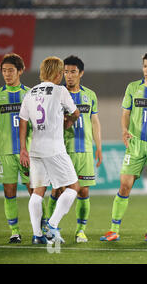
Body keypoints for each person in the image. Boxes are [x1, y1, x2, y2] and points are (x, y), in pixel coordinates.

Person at [100, 49, 147, 242]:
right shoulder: (133, 87)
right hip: (135, 144)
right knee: (125, 185)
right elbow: (125, 113)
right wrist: (124, 130)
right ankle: (114, 229)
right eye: (145, 66)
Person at [19, 56, 80, 244]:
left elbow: (22, 123)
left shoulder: (30, 93)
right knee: (73, 188)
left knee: (38, 191)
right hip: (54, 149)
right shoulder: (60, 90)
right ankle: (52, 225)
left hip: (35, 149)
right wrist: (69, 121)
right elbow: (76, 112)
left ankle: (37, 235)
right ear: (57, 72)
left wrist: (23, 149)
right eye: (62, 72)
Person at [46, 55, 103, 243]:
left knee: (84, 192)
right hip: (62, 150)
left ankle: (80, 230)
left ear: (81, 73)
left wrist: (99, 147)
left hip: (85, 150)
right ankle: (50, 227)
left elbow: (94, 122)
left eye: (72, 72)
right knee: (58, 190)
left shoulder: (90, 95)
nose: (68, 76)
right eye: (65, 72)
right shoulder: (56, 94)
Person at [0, 53, 33, 244]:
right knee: (9, 192)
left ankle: (41, 228)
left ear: (20, 71)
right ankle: (15, 231)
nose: (7, 74)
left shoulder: (30, 93)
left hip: (27, 152)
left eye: (11, 70)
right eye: (4, 71)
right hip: (5, 152)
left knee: (34, 191)